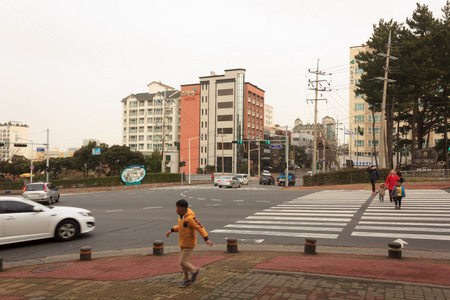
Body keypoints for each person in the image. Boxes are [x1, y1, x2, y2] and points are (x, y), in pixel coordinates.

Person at [166, 199, 213, 288]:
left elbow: (200, 227)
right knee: (183, 263)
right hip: (182, 242)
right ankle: (185, 279)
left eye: (176, 208)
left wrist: (206, 239)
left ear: (180, 209)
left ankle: (194, 271)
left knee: (182, 261)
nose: (175, 209)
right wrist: (172, 230)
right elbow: (181, 227)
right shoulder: (181, 216)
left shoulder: (190, 218)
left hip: (189, 243)